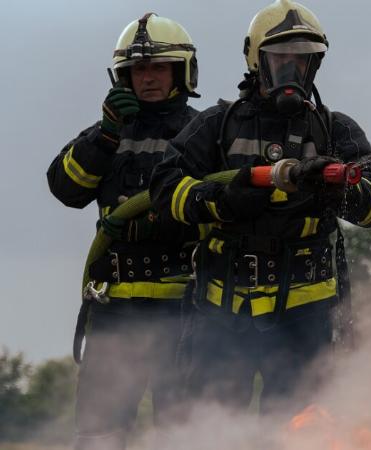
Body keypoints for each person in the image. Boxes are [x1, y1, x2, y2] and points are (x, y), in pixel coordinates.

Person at [149, 0, 371, 415]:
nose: (290, 69)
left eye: (301, 60)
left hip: (306, 314)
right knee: (211, 427)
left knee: (298, 428)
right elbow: (164, 188)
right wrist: (221, 201)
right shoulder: (217, 125)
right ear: (257, 58)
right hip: (222, 309)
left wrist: (337, 193)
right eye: (281, 57)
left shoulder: (335, 129)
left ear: (313, 65)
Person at [46, 13, 201, 449]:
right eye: (137, 70)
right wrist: (107, 134)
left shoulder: (205, 131)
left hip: (184, 311)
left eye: (157, 67)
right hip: (115, 313)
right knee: (99, 435)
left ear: (181, 71)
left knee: (188, 434)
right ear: (122, 76)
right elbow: (65, 188)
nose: (147, 78)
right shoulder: (106, 135)